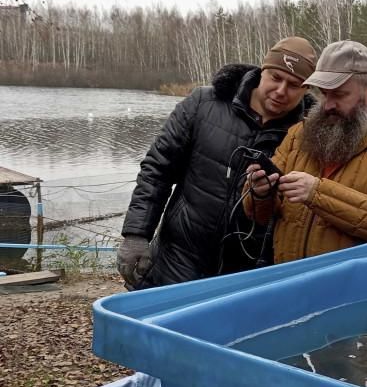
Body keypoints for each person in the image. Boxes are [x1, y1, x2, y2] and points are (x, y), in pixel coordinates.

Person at [117, 37, 317, 288]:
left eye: (294, 85)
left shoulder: (308, 135)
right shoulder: (203, 104)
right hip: (176, 259)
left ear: (307, 89)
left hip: (245, 275)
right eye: (276, 78)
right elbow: (157, 169)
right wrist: (136, 234)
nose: (281, 91)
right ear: (262, 71)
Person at [243, 40, 367, 262]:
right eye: (324, 94)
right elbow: (261, 216)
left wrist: (316, 192)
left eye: (338, 94)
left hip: (348, 289)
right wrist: (260, 193)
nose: (328, 105)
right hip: (289, 281)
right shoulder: (299, 134)